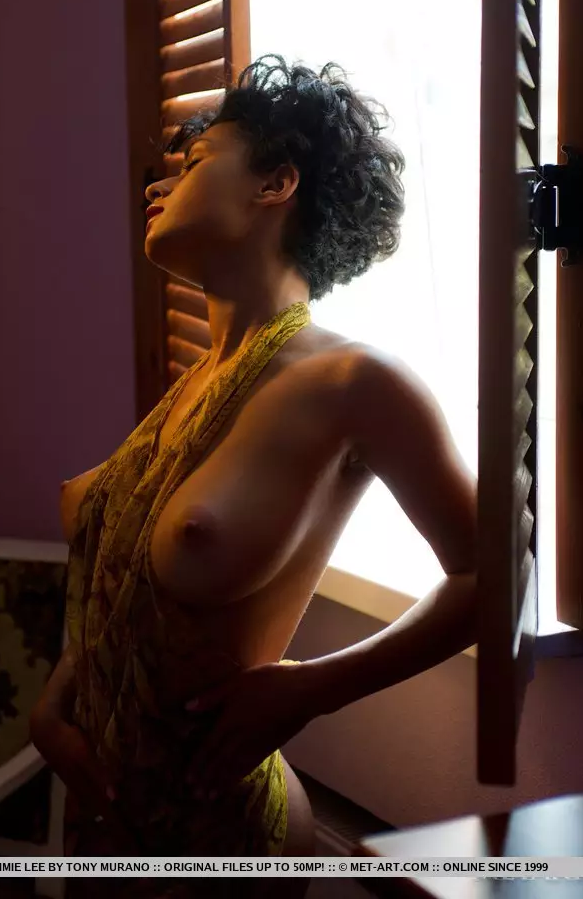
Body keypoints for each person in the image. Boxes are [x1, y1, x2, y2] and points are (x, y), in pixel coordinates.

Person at [29, 55, 477, 898]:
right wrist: (59, 701)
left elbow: (492, 574)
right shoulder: (191, 388)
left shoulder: (354, 383)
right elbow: (132, 590)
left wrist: (313, 689)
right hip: (108, 840)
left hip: (231, 842)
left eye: (194, 161)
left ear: (275, 184)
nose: (158, 185)